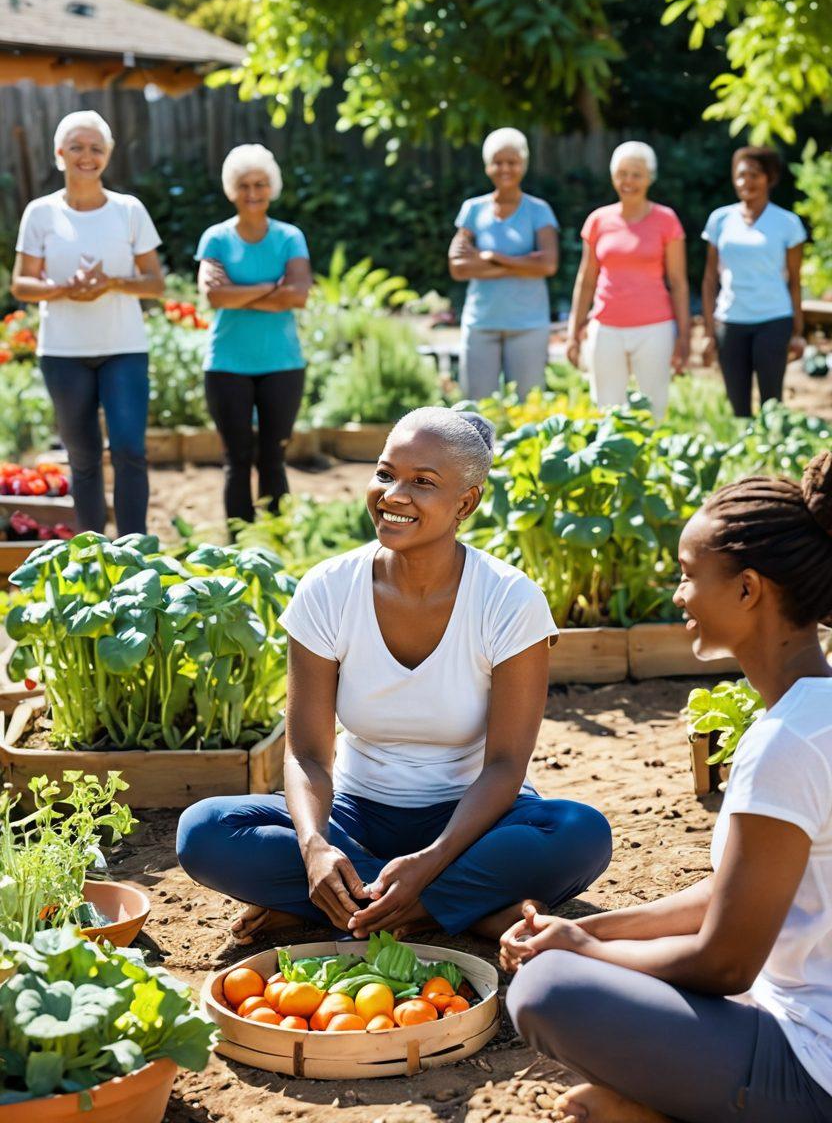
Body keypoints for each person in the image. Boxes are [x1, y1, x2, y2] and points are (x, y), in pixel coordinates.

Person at [177, 407, 611, 944]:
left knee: (579, 833)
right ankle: (455, 908)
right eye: (385, 474)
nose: (393, 494)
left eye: (422, 483)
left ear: (466, 503)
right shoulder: (328, 588)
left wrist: (430, 862)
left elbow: (504, 766)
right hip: (356, 815)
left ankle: (356, 904)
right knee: (205, 830)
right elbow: (307, 754)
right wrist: (314, 846)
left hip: (476, 822)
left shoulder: (508, 598)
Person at [503, 451, 832, 1123]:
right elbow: (737, 892)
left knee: (547, 991)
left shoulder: (786, 744)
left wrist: (591, 953)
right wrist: (587, 928)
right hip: (793, 1014)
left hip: (813, 1066)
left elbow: (725, 965)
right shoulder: (812, 716)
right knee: (572, 964)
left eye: (688, 577)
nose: (677, 596)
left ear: (747, 590)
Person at [11, 110, 164, 535]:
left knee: (130, 449)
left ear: (107, 156)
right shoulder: (40, 213)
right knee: (83, 458)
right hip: (63, 353)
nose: (86, 156)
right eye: (76, 147)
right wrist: (65, 289)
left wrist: (111, 282)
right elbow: (21, 284)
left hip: (124, 349)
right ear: (59, 154)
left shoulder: (128, 210)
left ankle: (133, 551)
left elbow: (154, 283)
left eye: (96, 148)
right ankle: (93, 550)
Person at [196, 144, 312, 524]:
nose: (252, 193)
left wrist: (239, 293)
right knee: (237, 459)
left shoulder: (289, 237)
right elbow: (213, 295)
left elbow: (297, 295)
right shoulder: (215, 238)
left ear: (271, 187)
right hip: (227, 362)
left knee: (272, 458)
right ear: (231, 189)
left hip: (282, 362)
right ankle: (238, 544)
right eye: (244, 184)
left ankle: (276, 541)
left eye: (260, 184)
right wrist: (269, 288)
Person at [566, 141, 690, 421]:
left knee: (653, 409)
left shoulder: (666, 220)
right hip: (606, 328)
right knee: (607, 410)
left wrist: (684, 336)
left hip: (654, 328)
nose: (628, 181)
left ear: (649, 178)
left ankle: (651, 463)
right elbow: (586, 280)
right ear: (613, 177)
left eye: (636, 174)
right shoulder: (598, 220)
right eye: (622, 173)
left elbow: (679, 282)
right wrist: (574, 331)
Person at [449, 128, 559, 401]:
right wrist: (521, 265)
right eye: (498, 162)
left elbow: (547, 265)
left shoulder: (539, 210)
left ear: (524, 164)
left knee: (527, 408)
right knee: (474, 411)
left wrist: (489, 257)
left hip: (528, 324)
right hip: (481, 322)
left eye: (513, 162)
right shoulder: (472, 210)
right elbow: (459, 267)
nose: (505, 168)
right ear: (488, 166)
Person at [701, 145, 806, 417]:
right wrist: (710, 330)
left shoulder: (788, 223)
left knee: (772, 403)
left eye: (755, 175)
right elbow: (710, 277)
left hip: (774, 319)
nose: (747, 182)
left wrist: (797, 329)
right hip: (731, 321)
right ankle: (745, 453)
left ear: (769, 178)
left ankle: (772, 452)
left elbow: (795, 280)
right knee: (738, 406)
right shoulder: (720, 220)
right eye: (741, 175)